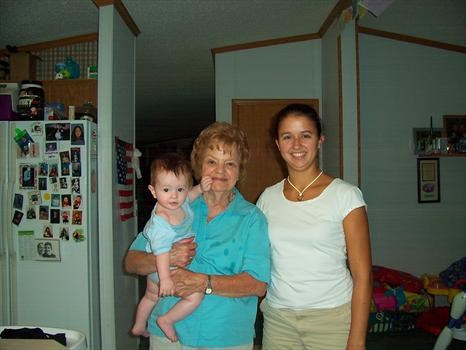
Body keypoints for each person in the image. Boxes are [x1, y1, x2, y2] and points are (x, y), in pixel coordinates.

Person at [124, 122, 271, 349]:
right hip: (167, 338)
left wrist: (204, 283)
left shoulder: (252, 218)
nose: (220, 171)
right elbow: (131, 261)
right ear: (199, 167)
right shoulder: (174, 205)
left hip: (224, 336)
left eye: (230, 163)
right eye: (212, 162)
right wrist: (166, 258)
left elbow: (258, 285)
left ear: (240, 170)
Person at [256, 103, 372, 350]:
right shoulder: (267, 198)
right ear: (278, 144)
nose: (296, 145)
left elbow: (363, 276)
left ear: (320, 140)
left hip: (333, 320)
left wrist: (357, 340)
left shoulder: (346, 196)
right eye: (287, 137)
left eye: (305, 135)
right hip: (279, 320)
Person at [131, 153, 212, 341]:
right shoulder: (162, 221)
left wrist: (200, 187)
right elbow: (161, 253)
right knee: (195, 297)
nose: (174, 196)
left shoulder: (179, 204)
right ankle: (167, 320)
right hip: (164, 268)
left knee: (151, 297)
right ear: (153, 191)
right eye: (166, 189)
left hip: (159, 271)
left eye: (180, 189)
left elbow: (190, 196)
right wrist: (165, 279)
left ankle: (138, 325)